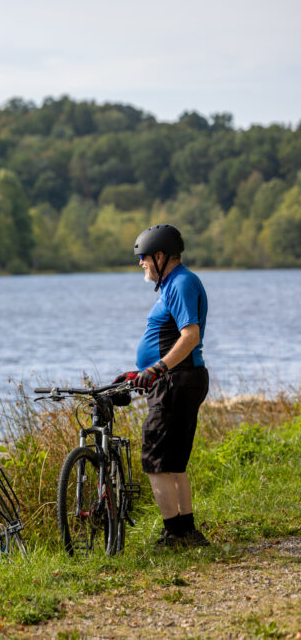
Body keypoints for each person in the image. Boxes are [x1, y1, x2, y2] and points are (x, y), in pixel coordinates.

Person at [116, 224, 210, 548]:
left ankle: (173, 533)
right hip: (178, 379)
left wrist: (157, 368)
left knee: (155, 460)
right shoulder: (175, 283)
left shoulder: (181, 284)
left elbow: (190, 336)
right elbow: (168, 341)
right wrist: (140, 371)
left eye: (143, 257)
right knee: (174, 462)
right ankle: (187, 531)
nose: (141, 263)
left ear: (160, 256)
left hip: (175, 381)